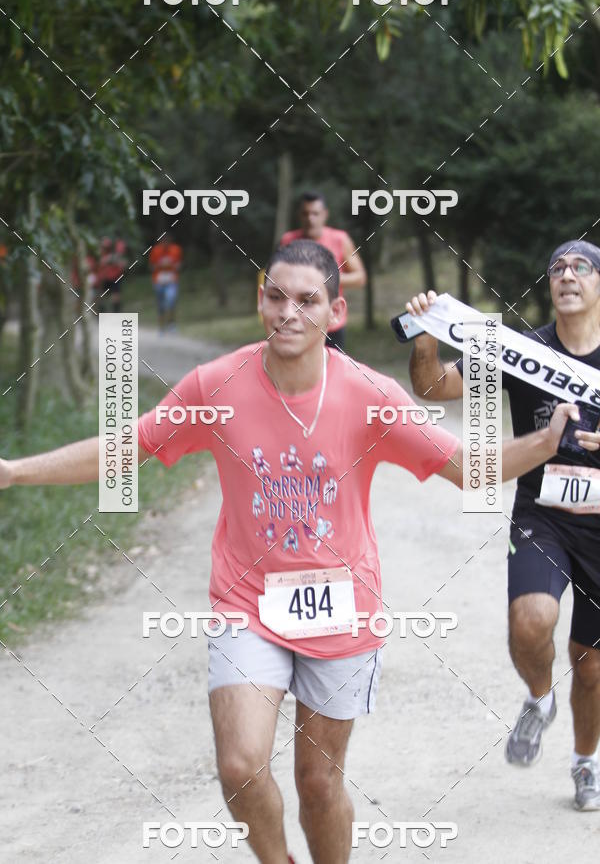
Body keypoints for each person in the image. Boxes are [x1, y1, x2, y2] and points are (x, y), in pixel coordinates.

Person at [0, 240, 590, 862]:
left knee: (318, 782)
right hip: (246, 605)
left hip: (344, 611)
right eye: (276, 297)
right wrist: (13, 472)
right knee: (240, 767)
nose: (289, 313)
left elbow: (470, 467)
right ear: (261, 302)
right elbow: (130, 445)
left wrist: (545, 442)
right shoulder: (216, 386)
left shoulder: (370, 395)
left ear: (336, 312)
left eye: (307, 300)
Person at [405, 240, 600, 811]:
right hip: (544, 516)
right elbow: (434, 387)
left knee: (591, 665)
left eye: (582, 267)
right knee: (531, 619)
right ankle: (539, 699)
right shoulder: (523, 350)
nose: (567, 275)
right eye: (557, 267)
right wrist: (425, 336)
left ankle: (585, 762)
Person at [278, 192, 367, 351]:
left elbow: (360, 277)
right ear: (299, 215)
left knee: (332, 366)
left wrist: (325, 279)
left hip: (331, 323)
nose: (310, 218)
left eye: (315, 213)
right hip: (297, 321)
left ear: (325, 214)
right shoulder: (288, 240)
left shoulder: (340, 239)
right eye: (305, 213)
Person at [149, 233, 183, 333]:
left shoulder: (176, 249)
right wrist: (160, 265)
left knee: (171, 301)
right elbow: (151, 266)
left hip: (172, 280)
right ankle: (161, 326)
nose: (165, 242)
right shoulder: (155, 250)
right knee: (161, 305)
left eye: (167, 240)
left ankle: (171, 324)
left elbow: (179, 265)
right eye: (163, 240)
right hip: (159, 281)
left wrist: (172, 265)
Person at [96, 236, 126, 313]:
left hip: (115, 278)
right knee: (101, 297)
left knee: (115, 297)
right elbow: (100, 263)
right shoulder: (101, 255)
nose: (104, 249)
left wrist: (113, 260)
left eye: (106, 247)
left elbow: (122, 264)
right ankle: (102, 314)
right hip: (104, 279)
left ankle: (115, 314)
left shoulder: (114, 255)